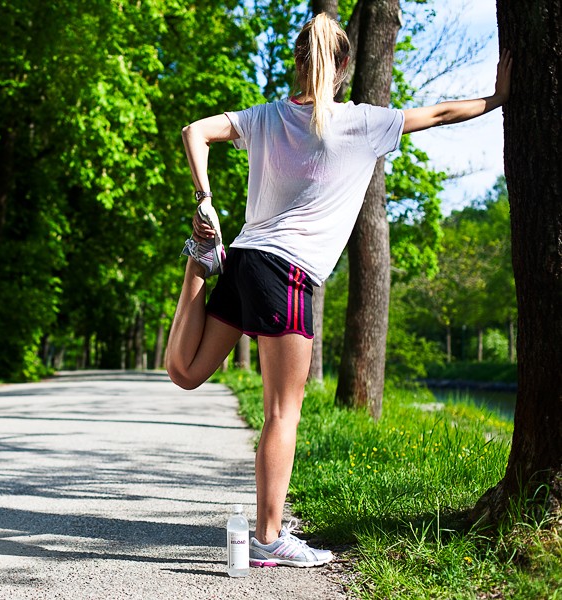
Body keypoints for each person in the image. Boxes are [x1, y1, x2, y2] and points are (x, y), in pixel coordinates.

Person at [165, 14, 512, 567]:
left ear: (298, 60)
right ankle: (268, 536)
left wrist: (205, 200)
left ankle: (199, 264)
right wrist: (497, 99)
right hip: (291, 274)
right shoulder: (362, 123)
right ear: (344, 67)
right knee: (283, 410)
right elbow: (444, 113)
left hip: (247, 261)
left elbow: (195, 131)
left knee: (185, 373)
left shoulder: (267, 116)